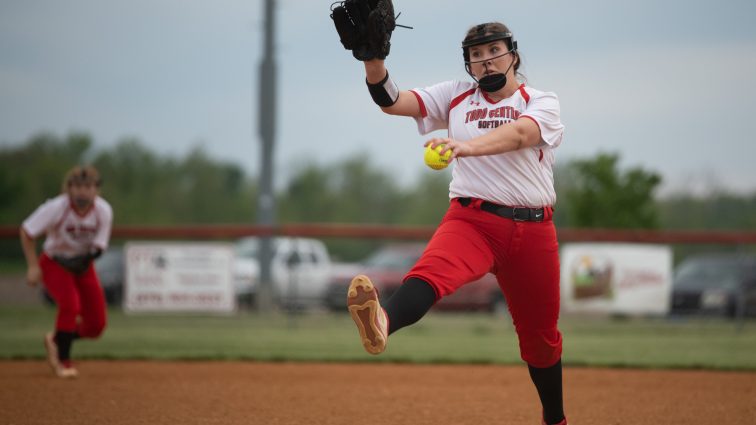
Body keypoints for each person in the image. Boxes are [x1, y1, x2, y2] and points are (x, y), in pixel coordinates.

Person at [345, 22, 568, 425]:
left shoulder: (540, 101)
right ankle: (381, 321)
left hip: (534, 230)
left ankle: (555, 420)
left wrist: (464, 146)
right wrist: (373, 61)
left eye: (493, 51)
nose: (485, 61)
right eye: (476, 55)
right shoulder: (455, 96)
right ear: (468, 64)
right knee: (430, 275)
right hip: (473, 220)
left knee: (541, 340)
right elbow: (392, 100)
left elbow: (520, 135)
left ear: (513, 54)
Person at [20, 165, 113, 378]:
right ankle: (64, 361)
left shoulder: (103, 210)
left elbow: (99, 247)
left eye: (88, 186)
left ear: (96, 190)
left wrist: (83, 261)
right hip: (55, 262)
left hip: (83, 265)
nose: (83, 191)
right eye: (77, 186)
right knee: (71, 305)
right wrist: (33, 266)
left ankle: (55, 339)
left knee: (96, 324)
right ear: (69, 188)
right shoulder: (57, 207)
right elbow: (27, 231)